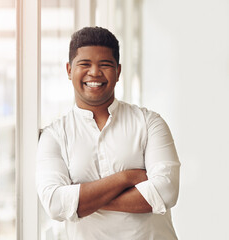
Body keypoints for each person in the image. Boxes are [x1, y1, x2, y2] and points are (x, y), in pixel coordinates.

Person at [36, 26, 180, 240]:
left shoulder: (150, 123)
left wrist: (80, 200)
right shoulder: (54, 135)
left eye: (105, 65)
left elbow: (166, 191)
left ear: (118, 71)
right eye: (85, 64)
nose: (94, 72)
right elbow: (55, 203)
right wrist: (126, 178)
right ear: (68, 70)